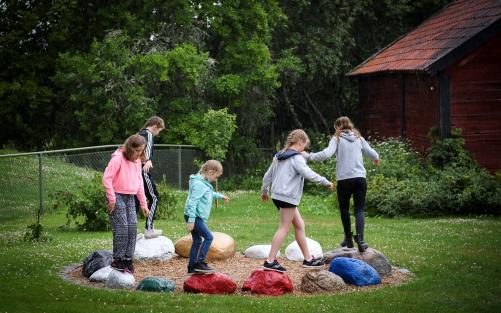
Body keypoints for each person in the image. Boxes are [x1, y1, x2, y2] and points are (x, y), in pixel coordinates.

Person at [261, 129, 334, 272]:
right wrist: (325, 181)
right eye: (304, 145)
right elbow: (308, 174)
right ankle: (270, 261)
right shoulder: (296, 158)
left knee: (300, 225)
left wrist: (264, 190)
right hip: (287, 197)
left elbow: (267, 176)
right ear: (300, 142)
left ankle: (308, 259)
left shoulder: (279, 155)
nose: (304, 149)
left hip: (278, 195)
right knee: (284, 227)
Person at [305, 116, 379, 253]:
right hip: (360, 179)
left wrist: (309, 156)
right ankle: (361, 241)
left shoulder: (337, 139)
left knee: (344, 209)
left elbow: (326, 154)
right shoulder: (359, 138)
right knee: (359, 210)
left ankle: (348, 240)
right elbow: (373, 154)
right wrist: (375, 159)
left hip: (344, 180)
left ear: (337, 127)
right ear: (350, 125)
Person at [103, 134, 150, 273]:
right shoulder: (118, 159)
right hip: (116, 196)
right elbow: (107, 178)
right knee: (122, 227)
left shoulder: (137, 162)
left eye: (141, 151)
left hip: (130, 196)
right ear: (130, 148)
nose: (139, 154)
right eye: (137, 151)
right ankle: (118, 260)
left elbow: (139, 182)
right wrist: (111, 199)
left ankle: (128, 260)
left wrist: (143, 204)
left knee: (132, 226)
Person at [184, 160, 230, 274]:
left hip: (194, 215)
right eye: (216, 176)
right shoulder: (199, 184)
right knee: (209, 237)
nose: (216, 179)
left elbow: (208, 193)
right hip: (194, 216)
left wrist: (219, 196)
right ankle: (200, 263)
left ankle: (191, 267)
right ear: (210, 172)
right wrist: (191, 220)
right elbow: (192, 202)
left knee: (197, 240)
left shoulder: (202, 182)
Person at [137, 116, 165, 239]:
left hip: (134, 172)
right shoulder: (148, 134)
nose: (158, 134)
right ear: (155, 127)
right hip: (142, 172)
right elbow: (144, 153)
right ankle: (149, 229)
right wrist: (147, 160)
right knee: (154, 197)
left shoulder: (139, 133)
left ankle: (132, 232)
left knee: (135, 201)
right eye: (159, 131)